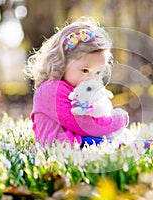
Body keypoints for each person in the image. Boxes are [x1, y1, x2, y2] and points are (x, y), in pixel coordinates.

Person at [25, 17, 129, 147]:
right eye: (85, 70)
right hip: (64, 146)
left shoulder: (79, 90)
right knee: (126, 147)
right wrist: (118, 120)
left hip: (81, 142)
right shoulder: (51, 90)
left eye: (97, 72)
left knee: (134, 145)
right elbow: (84, 125)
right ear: (61, 63)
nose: (91, 79)